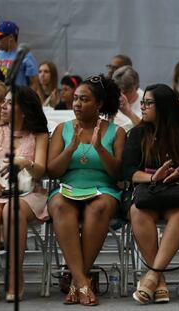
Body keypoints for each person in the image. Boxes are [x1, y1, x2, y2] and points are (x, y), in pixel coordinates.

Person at [122, 84, 179, 304]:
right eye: (142, 102)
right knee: (137, 211)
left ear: (164, 106)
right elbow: (128, 171)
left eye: (148, 103)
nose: (142, 107)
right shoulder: (138, 133)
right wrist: (153, 178)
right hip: (147, 193)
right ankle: (158, 280)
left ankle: (151, 277)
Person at [47, 74, 125, 306]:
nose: (77, 104)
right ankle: (82, 280)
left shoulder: (116, 132)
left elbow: (118, 174)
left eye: (84, 99)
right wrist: (70, 148)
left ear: (98, 104)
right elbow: (52, 171)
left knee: (99, 207)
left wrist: (100, 148)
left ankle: (76, 281)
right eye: (76, 99)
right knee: (60, 204)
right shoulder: (63, 129)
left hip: (103, 189)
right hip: (68, 187)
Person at [0, 86, 49, 302]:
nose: (2, 106)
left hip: (29, 192)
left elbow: (41, 170)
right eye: (3, 102)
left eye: (8, 103)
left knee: (12, 210)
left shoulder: (39, 136)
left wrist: (25, 162)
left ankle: (15, 274)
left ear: (24, 110)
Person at [0, 21, 38, 90]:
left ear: (11, 37)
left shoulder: (25, 55)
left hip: (17, 97)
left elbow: (34, 83)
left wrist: (25, 99)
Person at [112, 65, 144, 131]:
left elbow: (147, 132)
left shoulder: (146, 101)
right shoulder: (110, 98)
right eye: (117, 92)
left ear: (136, 87)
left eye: (125, 92)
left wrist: (129, 113)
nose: (121, 96)